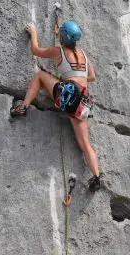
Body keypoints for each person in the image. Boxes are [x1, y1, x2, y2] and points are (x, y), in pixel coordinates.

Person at [10, 20, 102, 191]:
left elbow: (35, 50)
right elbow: (92, 77)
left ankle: (23, 106)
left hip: (67, 96)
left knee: (39, 76)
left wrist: (33, 32)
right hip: (81, 102)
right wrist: (76, 77)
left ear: (63, 38)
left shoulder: (58, 51)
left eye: (60, 35)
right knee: (85, 145)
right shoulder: (83, 54)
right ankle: (96, 176)